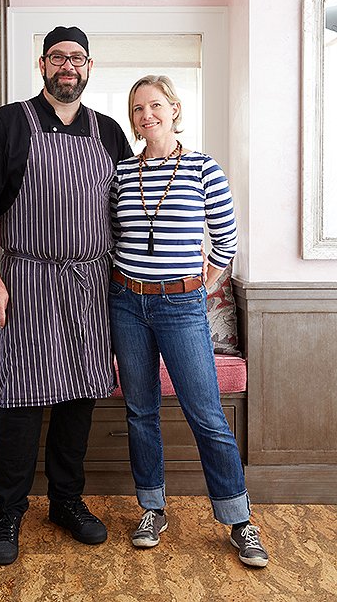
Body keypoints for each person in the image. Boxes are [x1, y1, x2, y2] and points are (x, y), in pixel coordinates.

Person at [0, 26, 132, 566]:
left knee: (79, 397)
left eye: (77, 58)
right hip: (28, 280)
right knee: (22, 401)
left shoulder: (107, 132)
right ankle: (7, 511)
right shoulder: (10, 122)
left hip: (90, 283)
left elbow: (129, 209)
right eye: (58, 57)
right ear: (42, 65)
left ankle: (66, 501)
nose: (68, 66)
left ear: (88, 67)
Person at [108, 74, 269, 568]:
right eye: (137, 109)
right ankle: (152, 509)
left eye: (155, 105)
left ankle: (240, 521)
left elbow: (225, 241)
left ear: (175, 109)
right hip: (127, 304)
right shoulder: (119, 172)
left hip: (181, 307)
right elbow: (110, 236)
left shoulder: (203, 168)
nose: (146, 115)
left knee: (206, 415)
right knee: (141, 411)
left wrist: (200, 280)